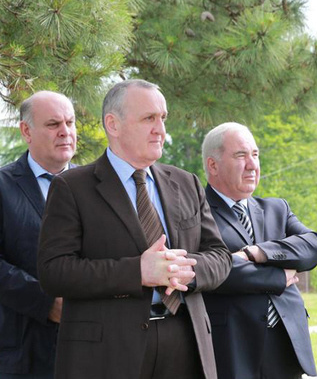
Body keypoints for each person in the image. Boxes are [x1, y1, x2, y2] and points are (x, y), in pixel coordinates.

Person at [37, 79, 232, 379]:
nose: (160, 129)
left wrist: (188, 270)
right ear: (113, 125)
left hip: (185, 341)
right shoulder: (71, 188)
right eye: (148, 119)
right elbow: (55, 272)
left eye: (163, 118)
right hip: (107, 353)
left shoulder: (186, 183)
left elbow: (219, 256)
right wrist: (138, 272)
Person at [201, 122, 317, 379]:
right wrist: (279, 276)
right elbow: (213, 269)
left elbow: (313, 246)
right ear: (212, 165)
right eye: (240, 156)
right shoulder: (195, 212)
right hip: (233, 347)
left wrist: (257, 252)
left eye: (255, 155)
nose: (252, 165)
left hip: (285, 345)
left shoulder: (276, 208)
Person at [0, 91, 77, 378]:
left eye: (70, 122)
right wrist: (46, 303)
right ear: (26, 131)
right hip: (23, 354)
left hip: (90, 350)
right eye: (53, 124)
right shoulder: (4, 186)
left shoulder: (95, 188)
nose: (65, 132)